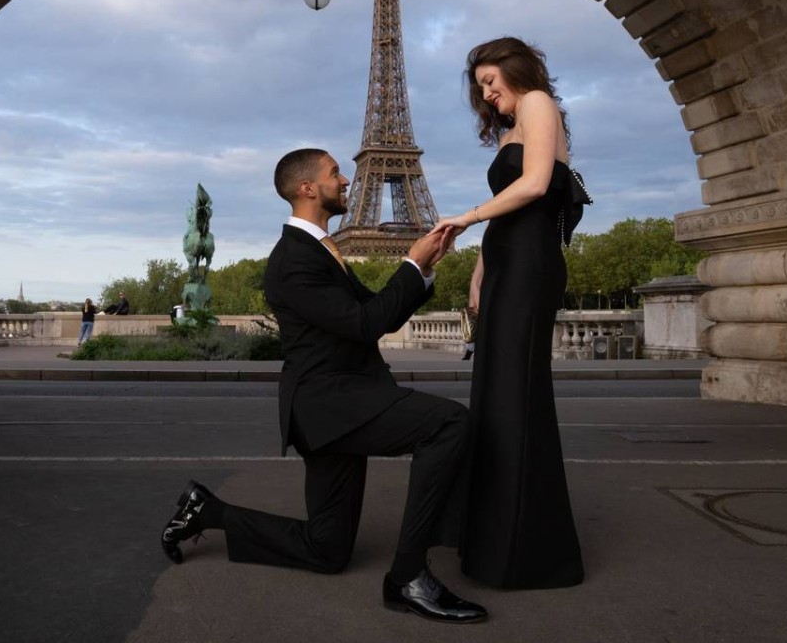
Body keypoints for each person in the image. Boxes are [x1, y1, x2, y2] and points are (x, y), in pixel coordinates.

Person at [160, 148, 487, 624]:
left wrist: (425, 267)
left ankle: (207, 512)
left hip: (338, 406)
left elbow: (373, 311)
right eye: (336, 172)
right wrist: (410, 266)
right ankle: (409, 575)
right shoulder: (293, 260)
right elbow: (364, 324)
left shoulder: (320, 251)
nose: (348, 179)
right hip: (330, 406)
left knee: (327, 549)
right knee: (448, 424)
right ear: (308, 188)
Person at [432, 37, 585, 590]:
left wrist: (466, 217)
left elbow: (537, 184)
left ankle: (528, 553)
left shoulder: (539, 103)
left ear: (519, 70)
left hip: (532, 268)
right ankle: (492, 542)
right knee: (497, 401)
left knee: (517, 401)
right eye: (480, 87)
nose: (487, 92)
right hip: (504, 267)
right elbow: (510, 210)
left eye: (492, 80)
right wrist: (478, 269)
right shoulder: (506, 129)